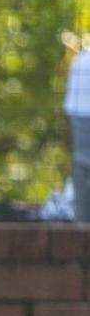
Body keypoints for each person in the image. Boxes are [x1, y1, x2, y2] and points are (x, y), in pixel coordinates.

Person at [63, 43, 90, 221]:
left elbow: (70, 111)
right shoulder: (82, 60)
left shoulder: (81, 60)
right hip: (80, 115)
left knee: (82, 163)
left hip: (78, 115)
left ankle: (82, 225)